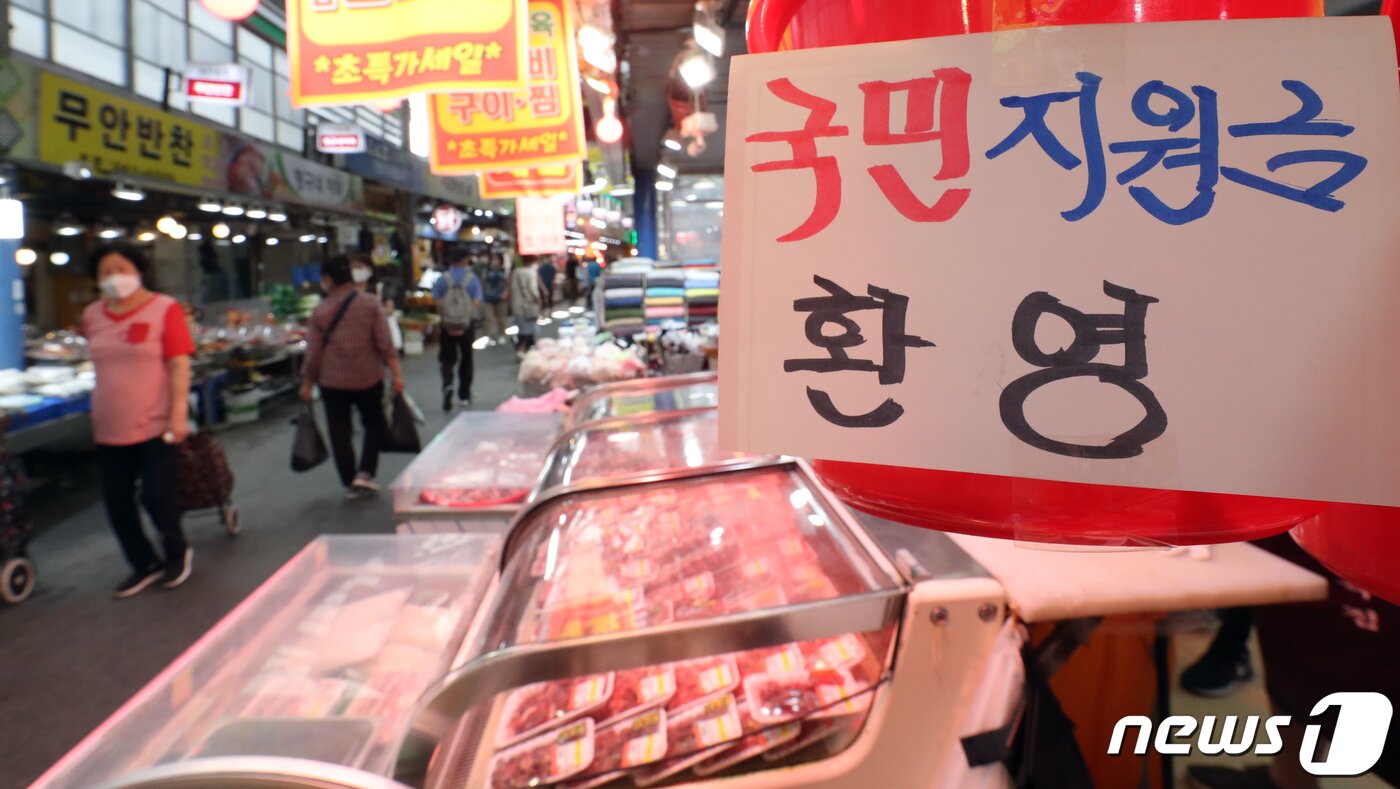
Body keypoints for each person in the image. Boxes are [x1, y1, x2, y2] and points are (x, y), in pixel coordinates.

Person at [82, 243, 196, 598]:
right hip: (109, 424)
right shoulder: (92, 315)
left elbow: (179, 364)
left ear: (138, 270)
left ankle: (177, 552)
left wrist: (178, 414)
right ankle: (143, 563)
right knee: (117, 502)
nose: (113, 277)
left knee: (156, 494)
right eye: (105, 272)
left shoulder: (165, 308)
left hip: (155, 422)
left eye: (121, 268)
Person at [300, 254, 404, 500]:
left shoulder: (320, 311)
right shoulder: (370, 304)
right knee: (375, 423)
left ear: (328, 279)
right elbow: (385, 344)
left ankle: (349, 480)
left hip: (332, 382)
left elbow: (313, 353)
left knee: (339, 430)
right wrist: (396, 375)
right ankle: (365, 473)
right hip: (368, 377)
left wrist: (307, 383)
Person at [431, 252, 482, 410]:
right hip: (466, 325)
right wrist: (465, 317)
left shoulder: (442, 279)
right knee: (466, 358)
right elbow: (476, 301)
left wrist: (447, 316)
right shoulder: (472, 279)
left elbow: (436, 301)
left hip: (447, 325)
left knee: (446, 359)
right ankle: (464, 395)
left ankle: (448, 385)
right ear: (465, 260)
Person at [508, 255, 543, 356]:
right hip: (528, 305)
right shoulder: (531, 272)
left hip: (517, 304)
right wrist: (538, 299)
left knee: (521, 327)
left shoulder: (516, 272)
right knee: (528, 329)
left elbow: (511, 287)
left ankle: (526, 348)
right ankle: (522, 349)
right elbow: (532, 288)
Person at [481, 257, 509, 344]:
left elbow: (507, 282)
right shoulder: (486, 270)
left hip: (501, 297)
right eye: (493, 259)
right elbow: (483, 282)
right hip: (488, 296)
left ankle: (502, 334)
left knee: (501, 318)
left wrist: (506, 292)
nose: (494, 261)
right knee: (488, 318)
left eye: (496, 259)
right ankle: (488, 335)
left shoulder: (504, 270)